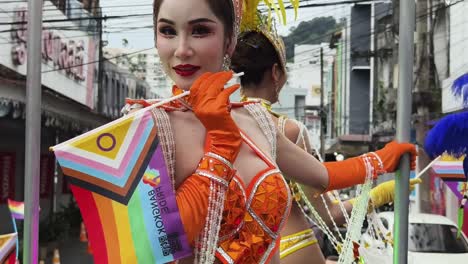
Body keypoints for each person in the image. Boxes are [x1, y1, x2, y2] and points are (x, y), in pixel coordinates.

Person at [82, 0, 417, 263]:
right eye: (168, 31)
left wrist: (382, 159)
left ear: (229, 40)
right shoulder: (144, 127)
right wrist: (220, 147)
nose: (182, 49)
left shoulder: (257, 119)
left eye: (200, 31)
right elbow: (155, 243)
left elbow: (320, 176)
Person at [230, 15, 421, 263]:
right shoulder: (287, 129)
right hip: (291, 245)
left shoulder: (222, 122)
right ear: (275, 72)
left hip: (239, 248)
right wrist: (380, 193)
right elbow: (330, 208)